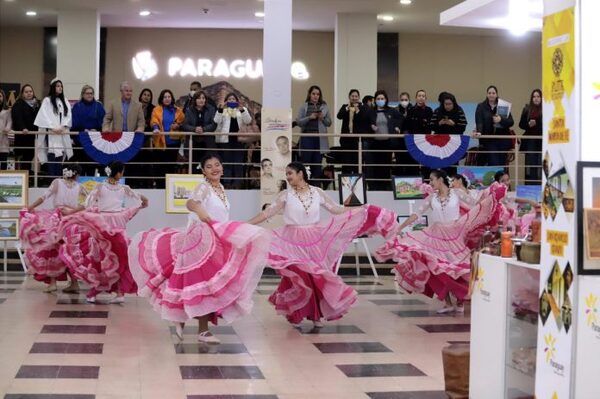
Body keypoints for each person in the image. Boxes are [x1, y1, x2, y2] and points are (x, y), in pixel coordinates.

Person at [129, 154, 270, 343]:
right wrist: (200, 212)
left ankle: (182, 319)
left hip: (216, 240)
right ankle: (199, 329)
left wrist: (242, 226)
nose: (215, 169)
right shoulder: (203, 187)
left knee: (197, 284)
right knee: (202, 284)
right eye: (209, 166)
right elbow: (192, 203)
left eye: (217, 165)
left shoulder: (220, 188)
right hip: (200, 240)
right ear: (203, 171)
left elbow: (222, 216)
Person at [247, 162, 398, 327]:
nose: (288, 177)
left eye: (290, 173)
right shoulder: (285, 195)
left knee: (317, 276)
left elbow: (336, 209)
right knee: (301, 276)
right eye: (287, 174)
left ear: (301, 174)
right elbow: (267, 212)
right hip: (293, 240)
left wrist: (360, 209)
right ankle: (298, 312)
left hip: (315, 239)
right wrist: (247, 224)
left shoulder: (317, 192)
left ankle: (316, 315)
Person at [376, 177, 507, 314]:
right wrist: (401, 227)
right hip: (435, 235)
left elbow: (475, 204)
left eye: (432, 180)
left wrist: (489, 197)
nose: (430, 183)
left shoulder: (456, 193)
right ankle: (448, 302)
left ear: (440, 180)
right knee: (435, 268)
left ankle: (460, 300)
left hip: (454, 234)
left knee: (456, 269)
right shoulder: (432, 197)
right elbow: (417, 214)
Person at [59, 161, 148, 304]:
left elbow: (86, 205)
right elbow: (140, 200)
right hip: (111, 224)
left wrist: (72, 212)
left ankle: (109, 292)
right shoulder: (116, 188)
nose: (122, 174)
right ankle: (106, 292)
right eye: (122, 171)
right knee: (113, 260)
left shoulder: (109, 187)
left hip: (107, 223)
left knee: (107, 260)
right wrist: (142, 202)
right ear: (118, 173)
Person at [20, 164, 87, 293]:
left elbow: (44, 196)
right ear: (76, 174)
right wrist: (73, 211)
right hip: (71, 220)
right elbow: (89, 202)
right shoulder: (79, 186)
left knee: (51, 250)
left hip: (56, 219)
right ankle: (74, 283)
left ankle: (53, 283)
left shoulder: (58, 182)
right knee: (69, 251)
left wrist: (30, 207)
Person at [34, 78, 73, 178]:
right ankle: (51, 180)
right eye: (58, 86)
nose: (60, 88)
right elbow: (44, 116)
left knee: (60, 155)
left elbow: (68, 115)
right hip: (51, 133)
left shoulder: (65, 100)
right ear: (53, 87)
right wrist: (52, 127)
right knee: (51, 154)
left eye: (61, 86)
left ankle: (58, 179)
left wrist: (63, 126)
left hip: (61, 132)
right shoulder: (47, 100)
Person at [214, 92, 252, 188]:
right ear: (226, 101)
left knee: (238, 162)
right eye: (229, 99)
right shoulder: (223, 110)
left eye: (233, 99)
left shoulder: (242, 110)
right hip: (226, 141)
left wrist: (242, 110)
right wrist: (220, 109)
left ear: (237, 101)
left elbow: (248, 121)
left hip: (239, 140)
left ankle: (238, 183)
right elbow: (216, 121)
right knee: (227, 163)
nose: (231, 101)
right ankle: (227, 183)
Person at [368, 90, 403, 189]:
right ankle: (376, 187)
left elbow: (400, 118)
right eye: (378, 99)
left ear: (386, 99)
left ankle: (385, 187)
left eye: (382, 98)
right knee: (375, 166)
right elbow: (367, 122)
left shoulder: (391, 111)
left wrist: (397, 127)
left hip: (387, 142)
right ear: (375, 100)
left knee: (386, 166)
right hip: (375, 143)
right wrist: (371, 126)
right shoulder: (371, 111)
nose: (380, 100)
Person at [296, 86, 332, 183]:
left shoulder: (324, 106)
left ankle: (316, 188)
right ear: (309, 94)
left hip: (319, 139)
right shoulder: (304, 106)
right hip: (307, 138)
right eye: (313, 94)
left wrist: (322, 118)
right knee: (306, 163)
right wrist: (309, 117)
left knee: (317, 163)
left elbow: (329, 123)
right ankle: (304, 185)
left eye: (318, 94)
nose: (316, 96)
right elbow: (298, 122)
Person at [151, 89, 185, 187]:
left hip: (173, 143)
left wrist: (178, 125)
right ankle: (159, 187)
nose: (167, 99)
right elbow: (154, 121)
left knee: (170, 167)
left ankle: (169, 188)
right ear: (161, 99)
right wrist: (156, 128)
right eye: (165, 97)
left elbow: (183, 122)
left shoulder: (177, 110)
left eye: (169, 97)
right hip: (160, 143)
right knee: (159, 168)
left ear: (172, 98)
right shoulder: (157, 109)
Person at [475, 85, 514, 168]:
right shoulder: (481, 106)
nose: (491, 95)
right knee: (493, 162)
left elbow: (511, 122)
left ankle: (502, 181)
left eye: (493, 93)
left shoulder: (503, 105)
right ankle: (495, 181)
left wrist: (501, 120)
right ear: (487, 95)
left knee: (502, 163)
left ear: (496, 94)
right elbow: (479, 121)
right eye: (489, 93)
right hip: (489, 139)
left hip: (503, 139)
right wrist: (479, 132)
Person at [336, 89, 375, 174]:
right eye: (352, 96)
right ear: (349, 97)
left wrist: (357, 111)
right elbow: (339, 116)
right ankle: (346, 185)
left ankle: (358, 184)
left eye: (356, 96)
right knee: (346, 163)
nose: (354, 98)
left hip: (358, 140)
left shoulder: (363, 107)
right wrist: (347, 108)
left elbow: (363, 120)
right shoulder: (344, 106)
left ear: (359, 97)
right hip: (346, 139)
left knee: (358, 163)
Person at [71, 85, 106, 175]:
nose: (89, 95)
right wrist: (84, 129)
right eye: (87, 93)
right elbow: (73, 123)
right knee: (81, 167)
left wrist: (97, 129)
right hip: (81, 140)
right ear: (83, 94)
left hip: (94, 141)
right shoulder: (77, 106)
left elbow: (104, 121)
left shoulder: (98, 106)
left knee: (92, 166)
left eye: (91, 93)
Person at [182, 90, 217, 168]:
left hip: (207, 142)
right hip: (193, 142)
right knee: (193, 166)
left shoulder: (211, 109)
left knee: (208, 165)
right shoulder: (189, 110)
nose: (201, 100)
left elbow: (214, 124)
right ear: (195, 100)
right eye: (199, 98)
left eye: (203, 98)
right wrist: (194, 129)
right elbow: (185, 125)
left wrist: (203, 129)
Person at [11, 84, 39, 171]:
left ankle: (29, 177)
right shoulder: (18, 104)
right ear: (22, 93)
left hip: (34, 136)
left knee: (30, 157)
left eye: (30, 91)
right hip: (23, 136)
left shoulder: (37, 104)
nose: (29, 93)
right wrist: (22, 127)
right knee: (24, 159)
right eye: (26, 92)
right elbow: (17, 118)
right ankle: (25, 177)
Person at [519, 89, 543, 184]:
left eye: (538, 96)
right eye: (534, 96)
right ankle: (532, 185)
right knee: (532, 164)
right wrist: (529, 124)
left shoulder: (546, 109)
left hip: (542, 140)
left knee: (541, 164)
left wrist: (536, 123)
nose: (536, 98)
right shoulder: (527, 109)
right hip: (530, 141)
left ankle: (541, 185)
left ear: (541, 98)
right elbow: (521, 124)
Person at [0, 90, 12, 170]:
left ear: (3, 98)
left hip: (3, 140)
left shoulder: (7, 110)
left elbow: (10, 121)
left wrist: (7, 128)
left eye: (0, 96)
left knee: (3, 163)